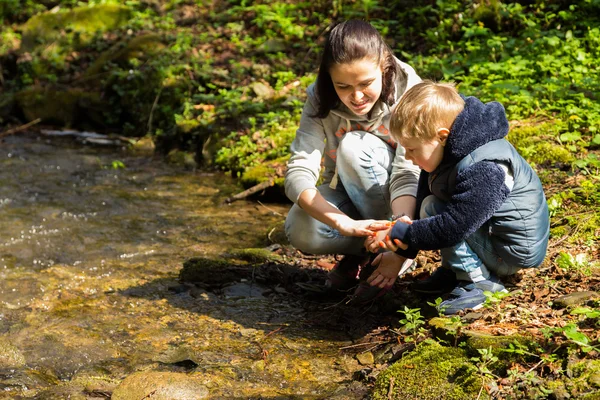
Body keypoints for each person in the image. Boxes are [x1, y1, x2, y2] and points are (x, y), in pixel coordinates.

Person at [366, 80, 550, 314]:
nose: (409, 158)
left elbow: (455, 227)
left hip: (511, 252)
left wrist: (398, 232)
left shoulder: (485, 167)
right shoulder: (448, 149)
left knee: (437, 211)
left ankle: (479, 282)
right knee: (430, 204)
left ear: (441, 136)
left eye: (412, 149)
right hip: (491, 236)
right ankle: (456, 271)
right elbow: (424, 198)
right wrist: (402, 251)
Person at [284, 20, 421, 299]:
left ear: (384, 67)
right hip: (351, 194)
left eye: (366, 83)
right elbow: (299, 169)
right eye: (343, 86)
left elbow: (409, 172)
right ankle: (365, 252)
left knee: (353, 147)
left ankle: (395, 251)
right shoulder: (319, 96)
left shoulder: (409, 89)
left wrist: (401, 231)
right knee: (299, 225)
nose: (356, 97)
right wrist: (342, 223)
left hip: (402, 203)